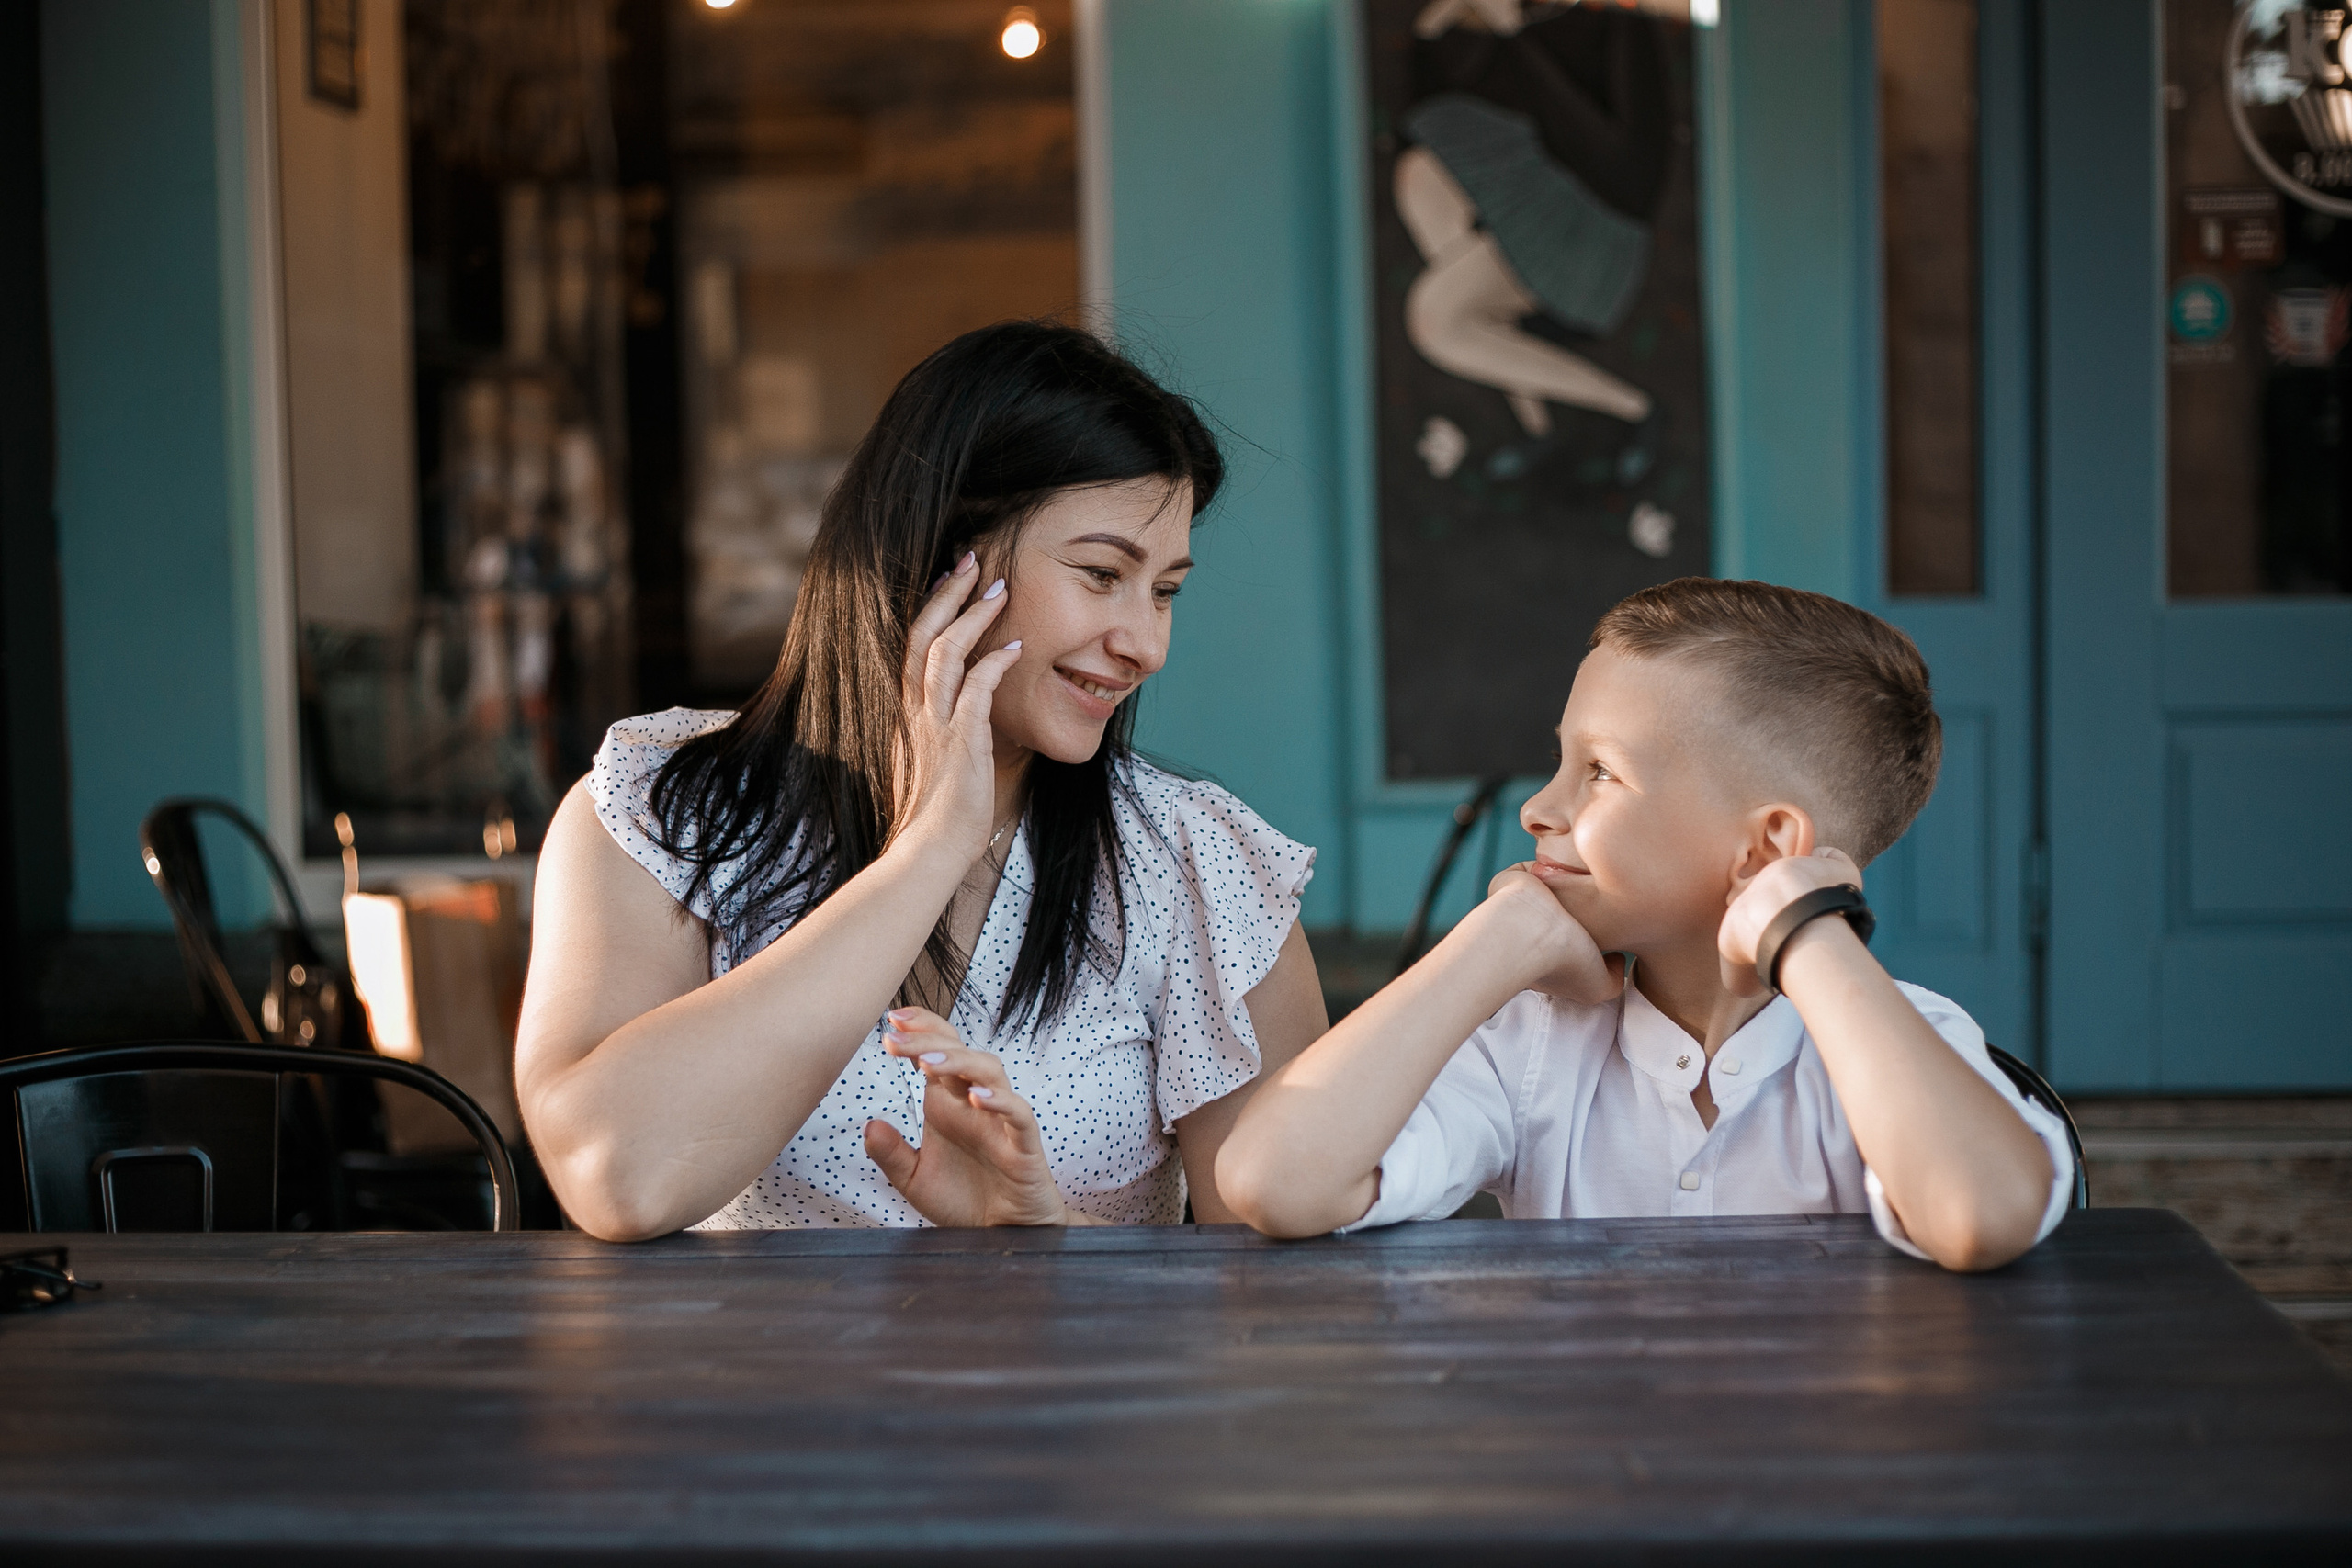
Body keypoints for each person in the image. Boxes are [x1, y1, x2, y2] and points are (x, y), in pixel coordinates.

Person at [516, 321, 1328, 1241]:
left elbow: (1280, 1306)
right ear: (945, 556)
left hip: (1078, 1385)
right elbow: (617, 1178)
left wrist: (1053, 1233)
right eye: (1103, 575)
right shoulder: (669, 812)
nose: (1147, 644)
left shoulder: (1197, 866)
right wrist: (929, 850)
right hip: (752, 1385)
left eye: (1165, 589)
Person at [1216, 578, 2073, 1271]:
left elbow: (1983, 1213)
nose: (1538, 808)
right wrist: (1496, 937)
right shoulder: (1535, 1047)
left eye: (1599, 772)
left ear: (1767, 847)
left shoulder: (1901, 1042)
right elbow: (1271, 1181)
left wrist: (1807, 931)